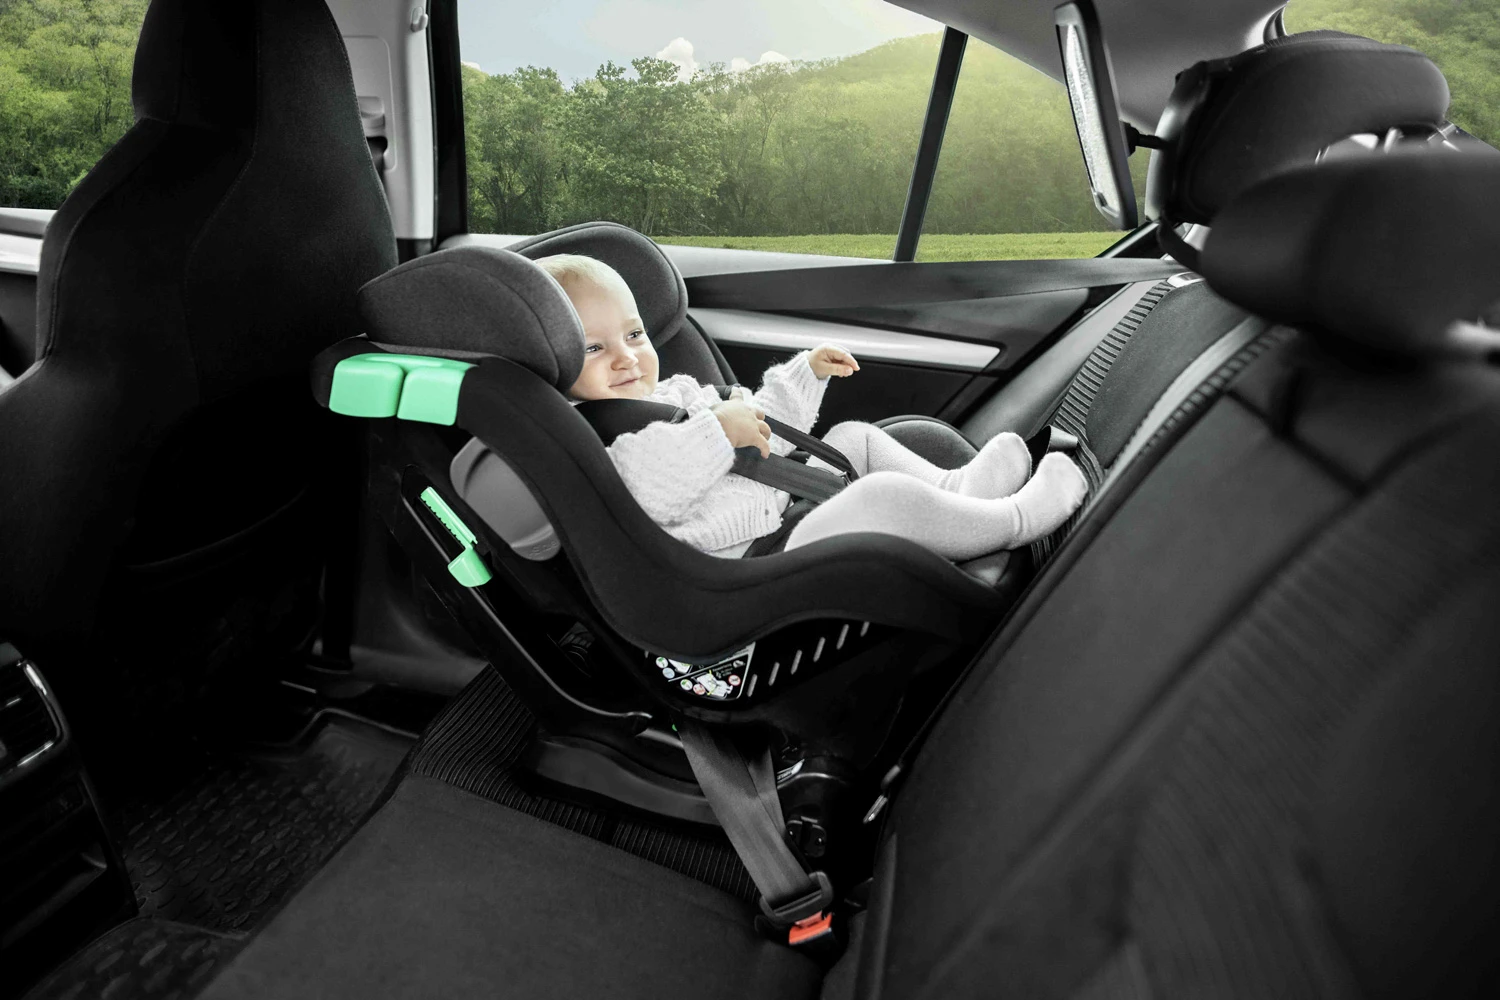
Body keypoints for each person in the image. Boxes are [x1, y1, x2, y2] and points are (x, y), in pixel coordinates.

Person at [537, 253, 1087, 560]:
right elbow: (649, 491)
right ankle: (1013, 521)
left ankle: (958, 491)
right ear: (554, 361)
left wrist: (806, 373)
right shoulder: (589, 438)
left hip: (782, 503)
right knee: (878, 498)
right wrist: (717, 433)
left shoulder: (677, 393)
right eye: (593, 348)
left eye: (634, 335)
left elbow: (766, 435)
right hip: (755, 557)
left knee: (853, 437)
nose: (626, 357)